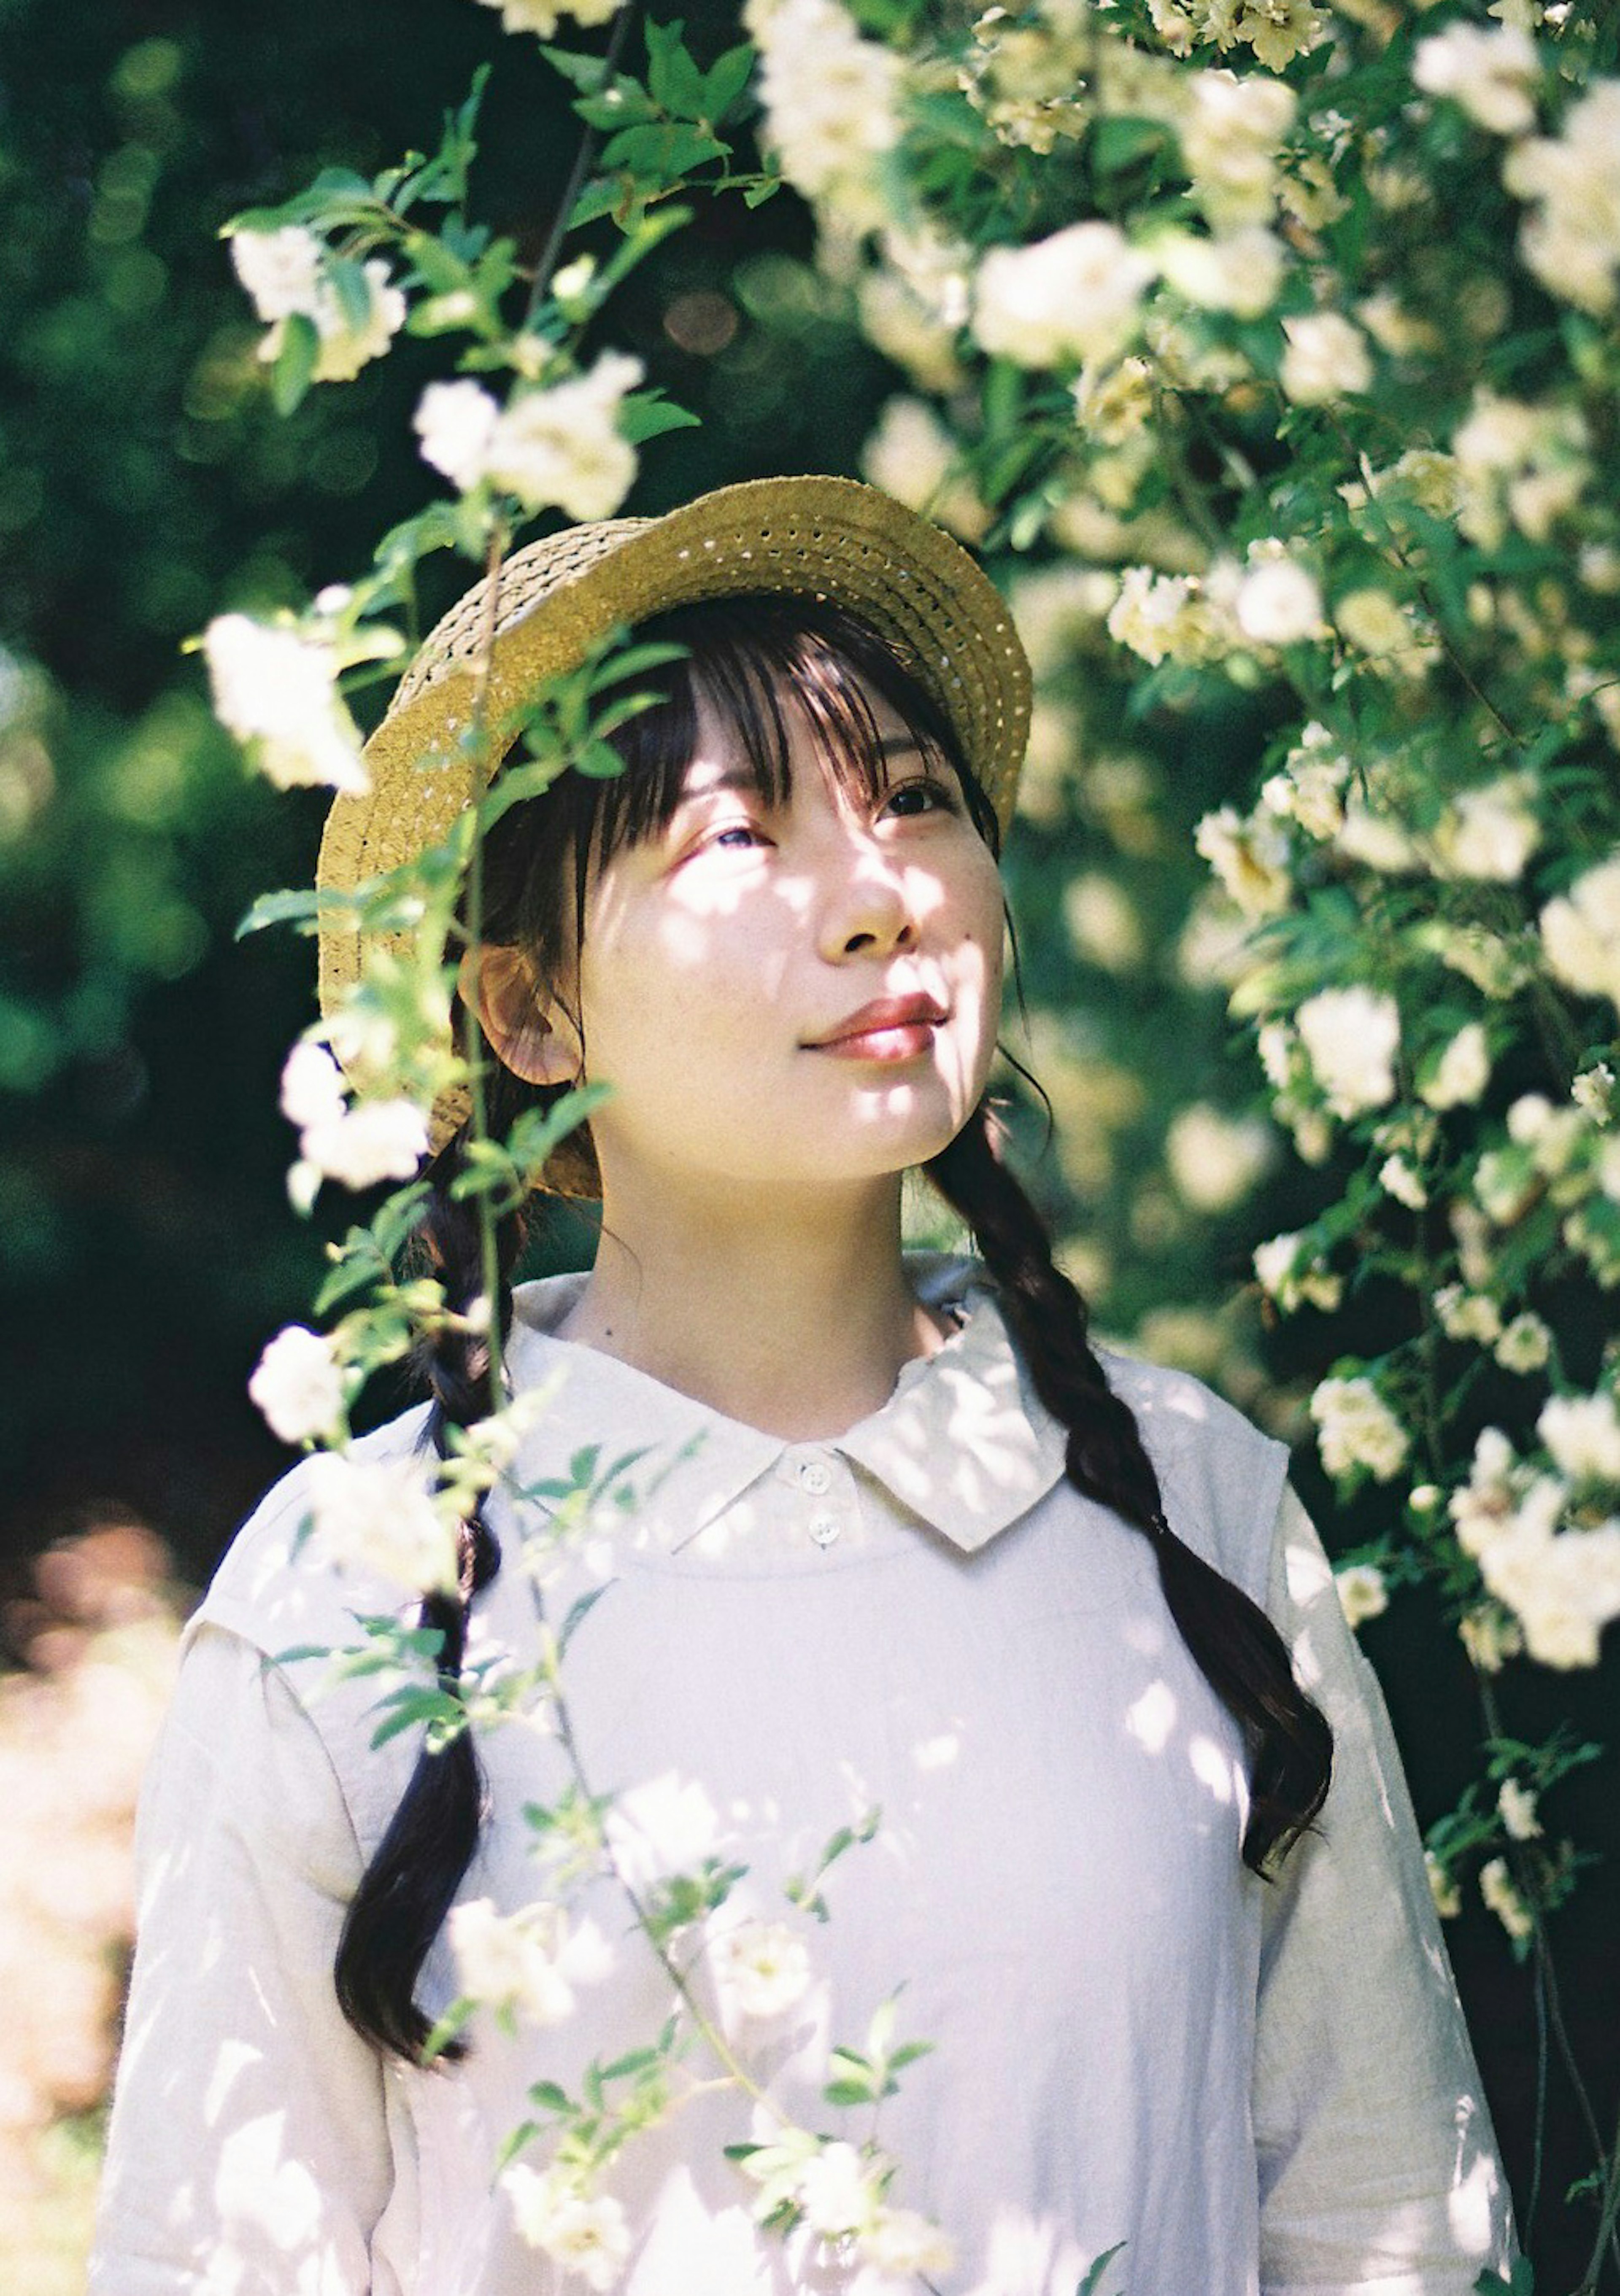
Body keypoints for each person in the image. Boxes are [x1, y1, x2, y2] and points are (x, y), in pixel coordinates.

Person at [91, 476, 1515, 2296]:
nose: (879, 895)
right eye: (737, 833)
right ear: (529, 1014)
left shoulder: (1190, 1504)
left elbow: (1387, 2219)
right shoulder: (354, 1586)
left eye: (915, 800)